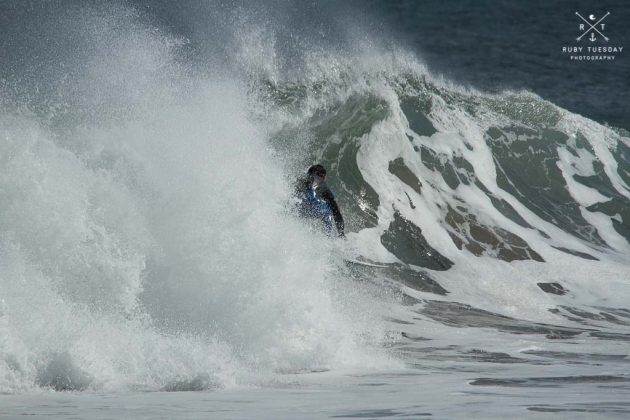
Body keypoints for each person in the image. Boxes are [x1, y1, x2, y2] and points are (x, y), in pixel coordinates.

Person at [294, 164, 345, 238]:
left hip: (296, 208)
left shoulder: (301, 178)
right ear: (323, 176)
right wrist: (341, 233)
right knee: (329, 212)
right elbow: (335, 210)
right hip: (308, 208)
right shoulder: (319, 181)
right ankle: (327, 238)